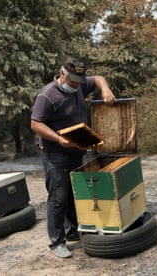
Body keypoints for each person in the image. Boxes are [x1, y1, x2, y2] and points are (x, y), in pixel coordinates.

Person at [30, 58, 116, 258]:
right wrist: (59, 139)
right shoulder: (48, 95)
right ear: (62, 75)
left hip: (76, 151)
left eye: (79, 82)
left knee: (73, 194)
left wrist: (105, 89)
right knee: (58, 198)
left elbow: (98, 79)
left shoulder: (78, 85)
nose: (77, 86)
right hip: (55, 154)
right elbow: (36, 124)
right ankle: (56, 242)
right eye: (73, 82)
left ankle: (72, 231)